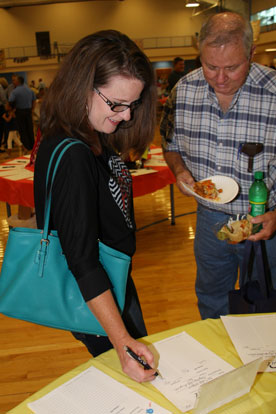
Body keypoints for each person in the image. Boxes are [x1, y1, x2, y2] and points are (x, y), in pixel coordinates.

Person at [34, 30, 157, 383]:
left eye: (132, 104)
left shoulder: (80, 132)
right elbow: (82, 261)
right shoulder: (73, 153)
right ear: (82, 86)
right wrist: (121, 341)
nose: (127, 116)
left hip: (110, 278)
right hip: (98, 291)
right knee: (135, 378)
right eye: (116, 104)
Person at [161, 12, 276, 319]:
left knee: (265, 303)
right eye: (210, 66)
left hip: (264, 222)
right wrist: (180, 170)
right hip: (210, 222)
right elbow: (170, 145)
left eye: (232, 67)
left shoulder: (274, 92)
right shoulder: (183, 91)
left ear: (251, 54)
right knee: (211, 300)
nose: (220, 78)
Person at [9, 76, 36, 151]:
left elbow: (10, 101)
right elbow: (34, 100)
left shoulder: (15, 91)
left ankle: (26, 146)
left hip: (20, 112)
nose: (13, 82)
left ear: (18, 82)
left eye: (14, 81)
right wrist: (32, 110)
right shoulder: (29, 90)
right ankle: (32, 145)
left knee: (22, 130)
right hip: (28, 111)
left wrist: (11, 111)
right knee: (30, 128)